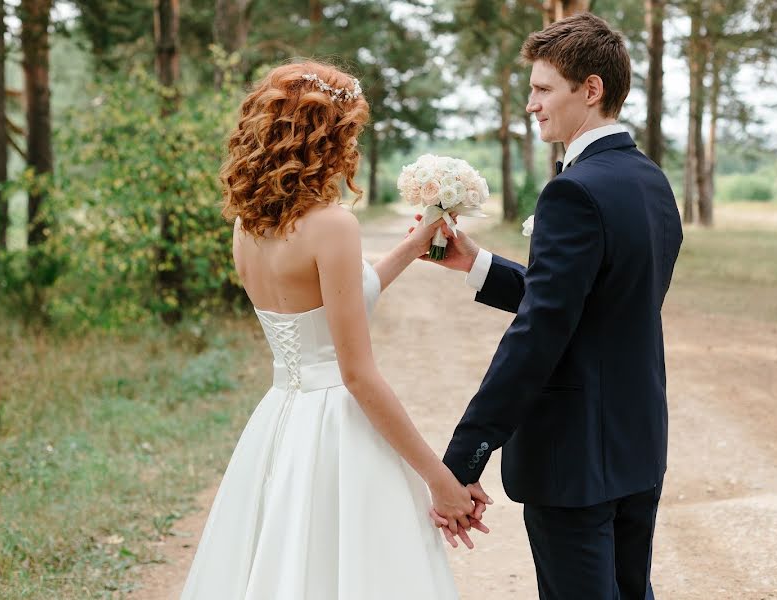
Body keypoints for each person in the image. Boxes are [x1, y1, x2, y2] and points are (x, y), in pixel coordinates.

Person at [180, 61, 489, 600]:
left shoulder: (247, 226)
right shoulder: (333, 225)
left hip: (281, 416)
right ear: (327, 136)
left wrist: (414, 248)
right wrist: (437, 478)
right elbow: (357, 375)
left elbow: (323, 310)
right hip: (337, 430)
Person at [418, 13, 684, 600]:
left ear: (590, 90)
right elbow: (593, 304)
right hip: (636, 440)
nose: (532, 105)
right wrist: (478, 266)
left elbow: (541, 333)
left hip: (574, 456)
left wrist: (463, 459)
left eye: (543, 90)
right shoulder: (650, 181)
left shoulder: (574, 190)